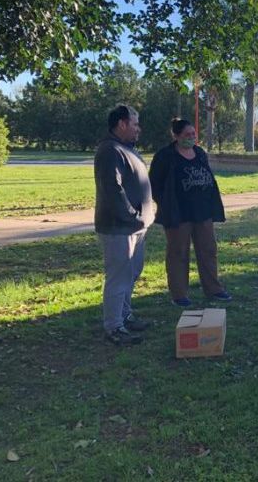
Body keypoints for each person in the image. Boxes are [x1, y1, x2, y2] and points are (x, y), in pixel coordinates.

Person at [148, 118, 230, 307]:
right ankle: (179, 294)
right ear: (176, 136)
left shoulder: (200, 153)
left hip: (202, 212)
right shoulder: (165, 156)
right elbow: (154, 184)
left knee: (208, 250)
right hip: (178, 214)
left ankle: (214, 289)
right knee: (178, 253)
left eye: (193, 134)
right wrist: (166, 203)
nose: (192, 137)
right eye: (187, 134)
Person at [94, 105, 155, 346]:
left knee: (131, 273)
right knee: (118, 278)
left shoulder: (126, 149)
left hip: (136, 226)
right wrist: (133, 216)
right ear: (121, 124)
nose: (138, 129)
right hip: (119, 227)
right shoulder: (110, 150)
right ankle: (113, 327)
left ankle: (124, 316)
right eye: (135, 124)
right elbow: (113, 190)